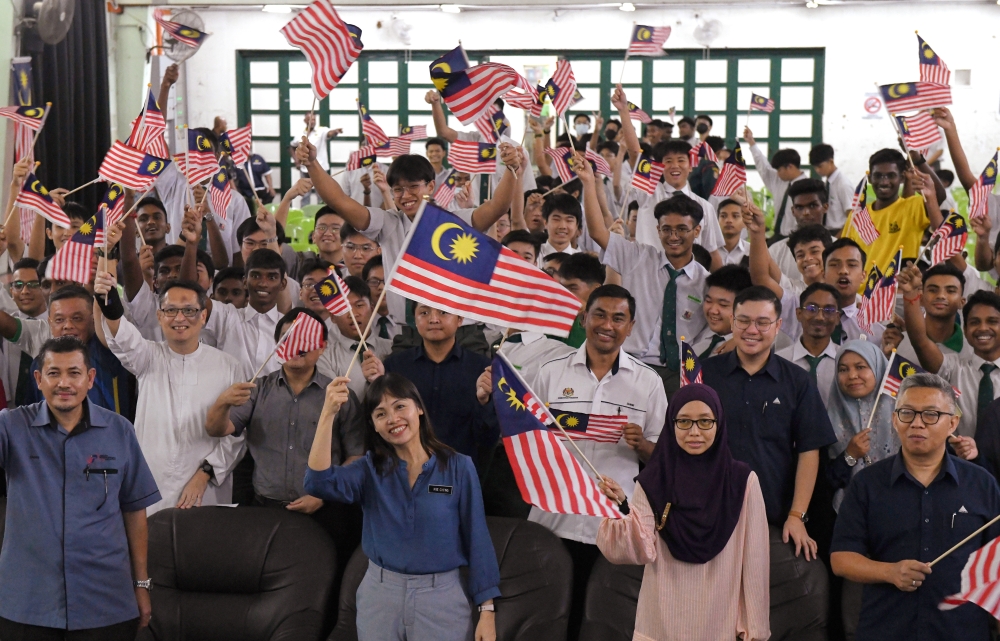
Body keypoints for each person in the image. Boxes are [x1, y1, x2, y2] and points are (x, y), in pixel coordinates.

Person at [305, 373, 499, 641]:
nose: (393, 419)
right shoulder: (368, 469)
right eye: (380, 414)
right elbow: (317, 483)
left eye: (399, 406)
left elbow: (478, 539)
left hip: (442, 598)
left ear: (418, 408)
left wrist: (487, 611)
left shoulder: (459, 466)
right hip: (380, 596)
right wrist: (327, 414)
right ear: (373, 425)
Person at [524, 284, 667, 640]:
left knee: (602, 623)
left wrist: (643, 446)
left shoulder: (648, 383)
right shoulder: (550, 373)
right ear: (584, 316)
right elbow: (530, 440)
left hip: (615, 525)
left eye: (619, 318)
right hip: (554, 518)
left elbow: (665, 458)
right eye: (599, 314)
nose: (607, 324)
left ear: (631, 326)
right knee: (548, 618)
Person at [0, 336, 160, 638]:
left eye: (73, 373)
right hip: (27, 602)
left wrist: (141, 584)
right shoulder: (11, 426)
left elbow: (135, 510)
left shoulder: (119, 430)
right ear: (38, 379)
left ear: (90, 379)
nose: (64, 383)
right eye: (53, 373)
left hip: (105, 601)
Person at [701, 286, 837, 641]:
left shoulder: (797, 381)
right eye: (743, 320)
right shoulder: (704, 373)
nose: (752, 330)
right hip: (707, 519)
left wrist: (797, 516)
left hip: (772, 522)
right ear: (732, 322)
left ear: (778, 326)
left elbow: (810, 451)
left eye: (762, 322)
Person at [830, 373, 1000, 641]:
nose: (917, 423)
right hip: (886, 629)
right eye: (907, 413)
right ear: (895, 420)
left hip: (961, 631)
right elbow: (841, 559)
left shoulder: (981, 484)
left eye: (931, 414)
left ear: (952, 423)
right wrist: (889, 572)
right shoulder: (867, 484)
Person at [597, 383, 770, 641]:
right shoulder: (653, 481)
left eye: (704, 422)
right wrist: (621, 505)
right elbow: (640, 549)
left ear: (719, 423)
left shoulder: (742, 481)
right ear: (671, 424)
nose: (694, 432)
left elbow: (755, 562)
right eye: (684, 422)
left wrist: (754, 629)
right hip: (661, 619)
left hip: (720, 620)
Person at [296, 143, 519, 331]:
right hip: (407, 331)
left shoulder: (455, 221)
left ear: (430, 186)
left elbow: (497, 207)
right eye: (398, 189)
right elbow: (339, 202)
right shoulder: (388, 223)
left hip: (461, 331)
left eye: (413, 187)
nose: (406, 196)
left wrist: (511, 168)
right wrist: (312, 164)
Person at [94, 273, 249, 513]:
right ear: (159, 316)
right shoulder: (147, 356)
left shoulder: (230, 366)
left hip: (206, 490)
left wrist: (205, 473)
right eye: (170, 310)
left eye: (189, 310)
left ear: (203, 316)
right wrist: (107, 296)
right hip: (152, 485)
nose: (179, 318)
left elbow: (237, 434)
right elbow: (121, 335)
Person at [581, 152, 708, 396]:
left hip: (679, 373)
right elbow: (598, 232)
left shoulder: (705, 281)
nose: (673, 237)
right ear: (658, 230)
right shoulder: (637, 256)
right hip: (630, 365)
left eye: (682, 229)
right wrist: (588, 182)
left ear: (697, 230)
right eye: (667, 229)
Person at [363, 303, 498, 467]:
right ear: (414, 318)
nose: (433, 319)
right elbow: (378, 428)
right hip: (404, 470)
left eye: (443, 312)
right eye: (424, 312)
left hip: (459, 470)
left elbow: (488, 439)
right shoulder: (395, 365)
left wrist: (484, 401)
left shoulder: (481, 368)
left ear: (460, 319)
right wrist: (378, 383)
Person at [612, 86, 724, 269]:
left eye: (681, 160)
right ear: (660, 166)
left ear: (691, 166)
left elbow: (713, 253)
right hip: (648, 276)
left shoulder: (705, 207)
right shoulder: (649, 193)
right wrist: (624, 110)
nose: (674, 166)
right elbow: (635, 152)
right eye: (668, 161)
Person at [0, 285, 136, 421]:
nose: (68, 325)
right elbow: (32, 418)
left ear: (93, 319)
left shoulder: (110, 351)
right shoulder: (39, 364)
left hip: (105, 439)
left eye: (77, 318)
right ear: (50, 323)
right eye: (59, 320)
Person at [898, 266, 1000, 437]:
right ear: (966, 330)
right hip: (958, 460)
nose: (983, 328)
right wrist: (910, 294)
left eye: (992, 321)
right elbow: (920, 342)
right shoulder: (954, 368)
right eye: (974, 322)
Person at [842, 149, 945, 276]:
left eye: (891, 175)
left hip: (898, 292)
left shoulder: (912, 207)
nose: (884, 182)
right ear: (869, 178)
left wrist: (919, 160)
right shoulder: (857, 215)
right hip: (861, 293)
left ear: (902, 177)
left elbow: (939, 195)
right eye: (878, 175)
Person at [313, 275, 392, 401]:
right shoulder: (325, 359)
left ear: (372, 309)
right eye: (344, 308)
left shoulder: (392, 349)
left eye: (359, 305)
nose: (353, 314)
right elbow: (333, 403)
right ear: (332, 317)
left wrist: (380, 380)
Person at [776, 283, 841, 406]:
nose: (820, 317)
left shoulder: (845, 362)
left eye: (829, 310)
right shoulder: (779, 362)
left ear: (837, 317)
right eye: (812, 309)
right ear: (799, 314)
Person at [894, 263, 974, 363]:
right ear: (921, 299)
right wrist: (910, 291)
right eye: (933, 290)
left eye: (950, 291)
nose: (941, 296)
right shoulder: (900, 343)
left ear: (961, 302)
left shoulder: (972, 350)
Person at [768, 180, 837, 282]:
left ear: (825, 207)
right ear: (793, 211)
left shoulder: (838, 247)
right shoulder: (776, 251)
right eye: (799, 207)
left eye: (812, 206)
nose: (806, 212)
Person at [744, 127, 806, 240]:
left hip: (796, 237)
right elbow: (763, 166)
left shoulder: (807, 187)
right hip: (778, 235)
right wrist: (751, 142)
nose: (777, 174)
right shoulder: (779, 181)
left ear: (790, 167)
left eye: (779, 170)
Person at [0, 258, 47, 407]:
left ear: (45, 287)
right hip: (12, 417)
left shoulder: (59, 326)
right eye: (18, 285)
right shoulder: (5, 326)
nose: (25, 291)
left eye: (33, 285)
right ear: (11, 290)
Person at [692, 265, 751, 358]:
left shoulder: (745, 349)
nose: (712, 310)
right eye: (708, 301)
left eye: (723, 305)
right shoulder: (699, 330)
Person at [555, 252, 605, 349]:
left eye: (573, 288)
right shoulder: (555, 319)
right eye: (562, 287)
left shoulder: (607, 327)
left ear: (596, 289)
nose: (565, 293)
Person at [809, 144, 853, 234]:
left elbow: (853, 217)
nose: (817, 170)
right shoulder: (828, 183)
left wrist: (837, 238)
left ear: (831, 162)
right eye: (815, 167)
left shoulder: (843, 184)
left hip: (839, 232)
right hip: (827, 232)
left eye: (820, 166)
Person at [362, 255, 398, 339]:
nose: (381, 287)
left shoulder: (408, 322)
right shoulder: (359, 323)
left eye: (388, 281)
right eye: (374, 282)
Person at [717, 198, 748, 266]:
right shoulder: (709, 249)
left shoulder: (751, 251)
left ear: (745, 222)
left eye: (735, 216)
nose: (729, 220)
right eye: (723, 216)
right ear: (717, 221)